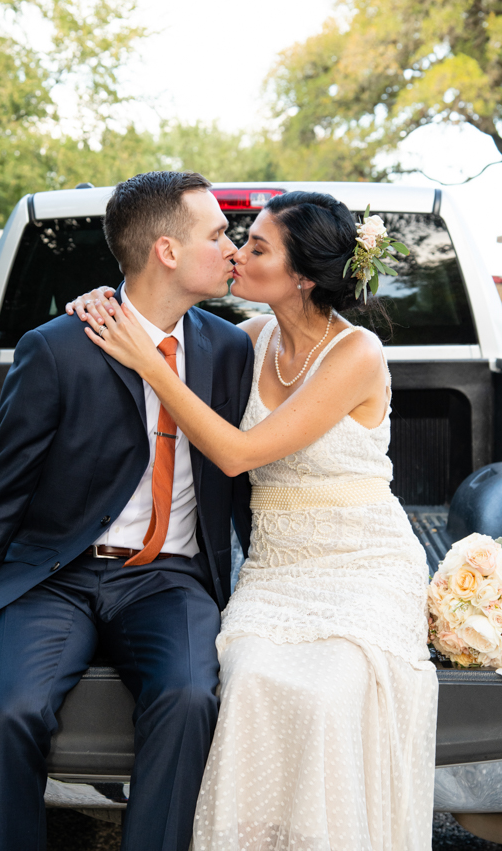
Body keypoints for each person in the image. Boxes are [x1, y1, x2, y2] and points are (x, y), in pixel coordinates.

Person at [0, 171, 255, 851]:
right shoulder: (59, 347)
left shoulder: (231, 348)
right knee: (6, 711)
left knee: (188, 698)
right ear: (166, 251)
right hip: (55, 580)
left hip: (170, 579)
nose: (231, 247)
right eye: (217, 234)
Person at [76, 191, 438, 851]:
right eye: (239, 240)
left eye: (258, 247)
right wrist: (105, 302)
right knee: (245, 682)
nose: (237, 254)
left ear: (301, 276)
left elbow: (239, 453)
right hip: (277, 570)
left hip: (363, 566)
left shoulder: (357, 353)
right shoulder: (247, 339)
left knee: (330, 694)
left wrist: (149, 367)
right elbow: (160, 316)